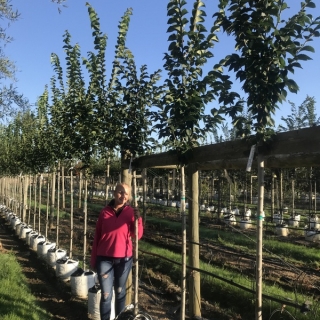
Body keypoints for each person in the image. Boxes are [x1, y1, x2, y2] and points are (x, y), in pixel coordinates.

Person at [90, 182, 143, 320]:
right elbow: (97, 236)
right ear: (114, 193)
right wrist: (93, 259)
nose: (123, 196)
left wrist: (138, 220)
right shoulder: (104, 212)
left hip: (124, 259)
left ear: (129, 196)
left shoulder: (131, 212)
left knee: (120, 293)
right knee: (106, 295)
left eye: (126, 193)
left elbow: (136, 235)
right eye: (120, 192)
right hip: (104, 258)